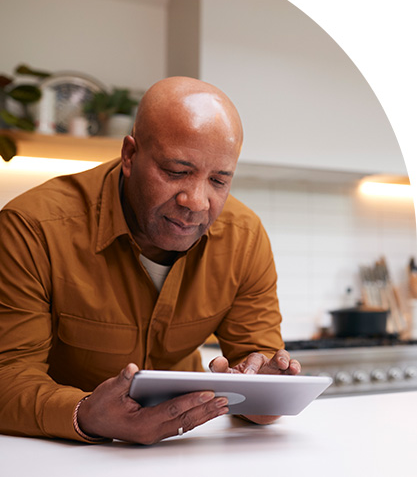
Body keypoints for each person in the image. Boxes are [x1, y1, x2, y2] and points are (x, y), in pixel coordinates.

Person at [0, 77, 300, 445]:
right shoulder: (33, 229)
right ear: (129, 156)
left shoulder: (244, 237)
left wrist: (267, 393)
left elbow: (258, 364)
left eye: (219, 181)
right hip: (56, 456)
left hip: (181, 451)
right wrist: (86, 414)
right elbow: (7, 377)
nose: (197, 201)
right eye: (177, 172)